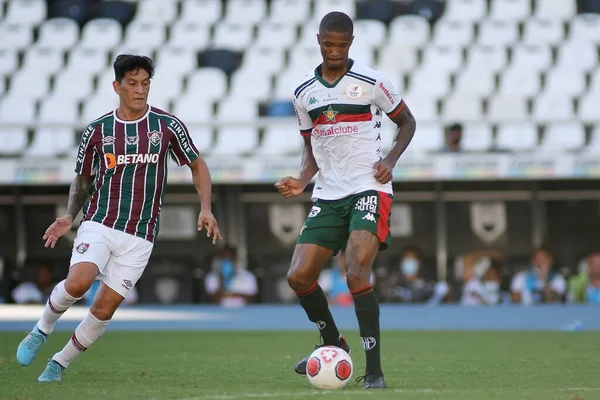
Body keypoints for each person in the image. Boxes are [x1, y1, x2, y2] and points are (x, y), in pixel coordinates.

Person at [16, 54, 222, 382]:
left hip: (140, 235)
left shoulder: (167, 126)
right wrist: (70, 215)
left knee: (103, 309)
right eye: (133, 84)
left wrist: (206, 207)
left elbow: (197, 164)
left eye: (145, 84)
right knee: (79, 282)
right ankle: (41, 329)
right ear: (117, 86)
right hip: (100, 222)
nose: (140, 90)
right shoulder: (98, 130)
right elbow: (83, 178)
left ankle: (59, 363)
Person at [274, 12, 416, 389]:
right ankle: (334, 342)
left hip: (369, 188)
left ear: (351, 43)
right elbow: (310, 148)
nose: (335, 52)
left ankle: (374, 370)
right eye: (328, 44)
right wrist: (302, 180)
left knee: (355, 271)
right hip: (328, 194)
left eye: (342, 45)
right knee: (298, 275)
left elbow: (408, 123)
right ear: (319, 40)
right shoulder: (305, 93)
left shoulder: (372, 82)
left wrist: (389, 160)